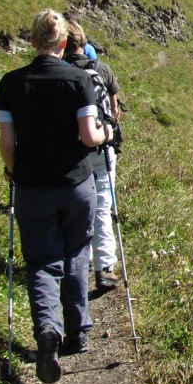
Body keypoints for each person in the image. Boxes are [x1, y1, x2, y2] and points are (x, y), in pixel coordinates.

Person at [0, 9, 112, 383]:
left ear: (32, 41)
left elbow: (8, 143)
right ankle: (78, 333)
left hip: (32, 187)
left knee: (42, 261)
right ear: (64, 43)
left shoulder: (11, 83)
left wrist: (13, 172)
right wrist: (107, 135)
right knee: (77, 251)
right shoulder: (79, 79)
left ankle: (48, 329)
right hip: (76, 184)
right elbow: (89, 137)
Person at [64, 20, 122, 291]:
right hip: (101, 147)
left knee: (72, 207)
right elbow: (113, 110)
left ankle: (78, 261)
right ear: (83, 43)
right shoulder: (102, 70)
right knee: (101, 206)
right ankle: (105, 268)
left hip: (68, 151)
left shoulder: (58, 73)